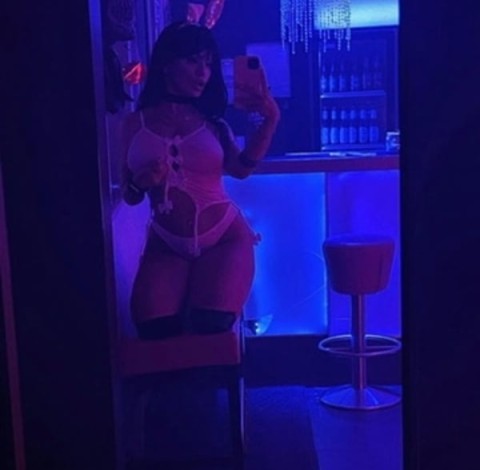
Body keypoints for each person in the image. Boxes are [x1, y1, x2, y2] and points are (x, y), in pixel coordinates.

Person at [121, 21, 280, 340]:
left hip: (225, 236)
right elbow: (130, 194)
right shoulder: (132, 124)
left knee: (210, 327)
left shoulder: (214, 124)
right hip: (166, 241)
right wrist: (141, 182)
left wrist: (271, 119)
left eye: (208, 64)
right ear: (167, 63)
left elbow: (241, 169)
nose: (203, 73)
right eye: (193, 61)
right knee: (152, 328)